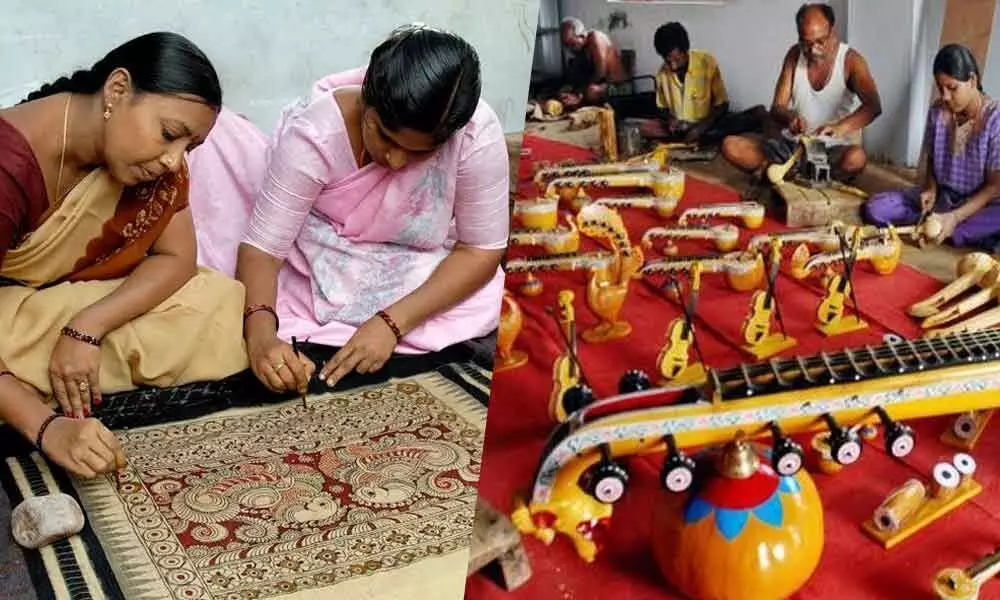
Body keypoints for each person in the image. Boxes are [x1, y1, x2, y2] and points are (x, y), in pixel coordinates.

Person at [187, 24, 508, 395]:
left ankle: (370, 327)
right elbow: (264, 251)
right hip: (320, 257)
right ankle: (328, 324)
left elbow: (480, 249)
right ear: (366, 101)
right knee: (248, 299)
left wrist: (391, 324)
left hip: (412, 263)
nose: (396, 159)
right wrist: (261, 339)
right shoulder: (316, 132)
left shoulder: (473, 134)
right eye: (384, 136)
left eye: (421, 152)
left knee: (486, 297)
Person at [0, 32, 249, 479]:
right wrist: (48, 430)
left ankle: (47, 379)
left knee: (215, 301)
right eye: (170, 135)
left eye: (188, 148)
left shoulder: (149, 165)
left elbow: (177, 259)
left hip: (61, 306)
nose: (174, 162)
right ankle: (33, 395)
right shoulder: (7, 164)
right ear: (116, 90)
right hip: (8, 314)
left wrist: (87, 328)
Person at [721, 3, 882, 188]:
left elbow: (873, 106)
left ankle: (788, 175)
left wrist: (839, 128)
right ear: (799, 37)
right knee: (730, 145)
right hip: (793, 148)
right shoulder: (794, 55)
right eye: (806, 43)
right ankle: (795, 174)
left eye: (820, 41)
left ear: (832, 31)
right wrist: (791, 118)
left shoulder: (851, 61)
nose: (813, 50)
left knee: (856, 158)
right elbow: (777, 108)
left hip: (830, 150)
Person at [865, 44, 1000, 249]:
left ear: (972, 81)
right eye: (941, 88)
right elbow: (930, 160)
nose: (945, 96)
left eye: (952, 88)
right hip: (943, 198)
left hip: (978, 204)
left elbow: (994, 187)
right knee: (876, 208)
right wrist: (930, 188)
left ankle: (946, 228)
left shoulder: (994, 118)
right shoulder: (938, 112)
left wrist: (954, 217)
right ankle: (942, 229)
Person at [639, 21, 767, 147]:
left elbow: (722, 105)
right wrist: (670, 120)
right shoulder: (662, 74)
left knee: (728, 126)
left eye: (677, 60)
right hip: (682, 128)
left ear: (685, 51)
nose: (673, 66)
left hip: (708, 124)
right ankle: (699, 139)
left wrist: (701, 128)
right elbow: (662, 108)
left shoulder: (706, 62)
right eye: (668, 61)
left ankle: (754, 115)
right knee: (645, 128)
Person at [558, 17, 628, 109]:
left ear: (582, 36)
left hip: (620, 88)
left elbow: (600, 74)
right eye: (567, 46)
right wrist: (572, 89)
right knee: (566, 90)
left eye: (572, 44)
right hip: (598, 86)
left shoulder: (596, 38)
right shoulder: (579, 50)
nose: (570, 49)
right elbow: (581, 77)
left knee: (592, 92)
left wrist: (580, 94)